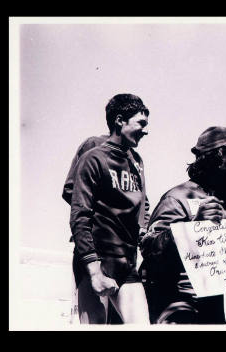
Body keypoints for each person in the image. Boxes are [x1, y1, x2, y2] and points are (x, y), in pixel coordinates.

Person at [139, 126, 226, 324]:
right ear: (217, 158)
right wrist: (193, 228)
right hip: (190, 307)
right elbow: (149, 249)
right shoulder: (177, 198)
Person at [69, 93, 151, 324]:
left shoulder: (137, 162)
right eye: (141, 123)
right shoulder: (93, 158)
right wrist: (94, 272)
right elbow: (79, 216)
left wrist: (144, 230)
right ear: (119, 120)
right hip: (96, 261)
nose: (146, 131)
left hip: (127, 263)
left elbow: (142, 204)